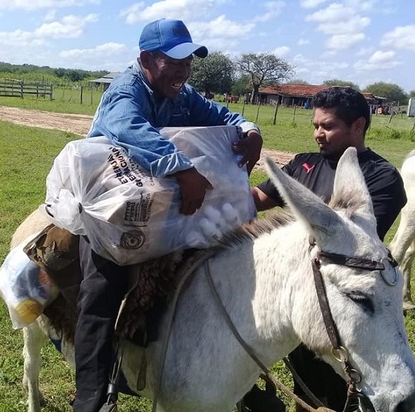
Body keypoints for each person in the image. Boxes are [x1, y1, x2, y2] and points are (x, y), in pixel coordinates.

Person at [74, 18, 263, 412]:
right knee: (101, 291)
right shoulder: (126, 91)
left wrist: (248, 129)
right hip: (111, 203)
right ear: (146, 59)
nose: (183, 70)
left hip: (156, 197)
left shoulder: (181, 93)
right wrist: (184, 169)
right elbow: (129, 128)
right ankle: (90, 399)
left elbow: (220, 114)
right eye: (173, 62)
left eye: (188, 62)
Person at [241, 86, 407, 412]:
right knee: (306, 388)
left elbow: (351, 239)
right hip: (299, 298)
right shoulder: (305, 165)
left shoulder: (380, 178)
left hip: (343, 307)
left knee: (338, 394)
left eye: (327, 126)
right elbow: (256, 199)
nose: (318, 133)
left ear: (358, 126)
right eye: (315, 125)